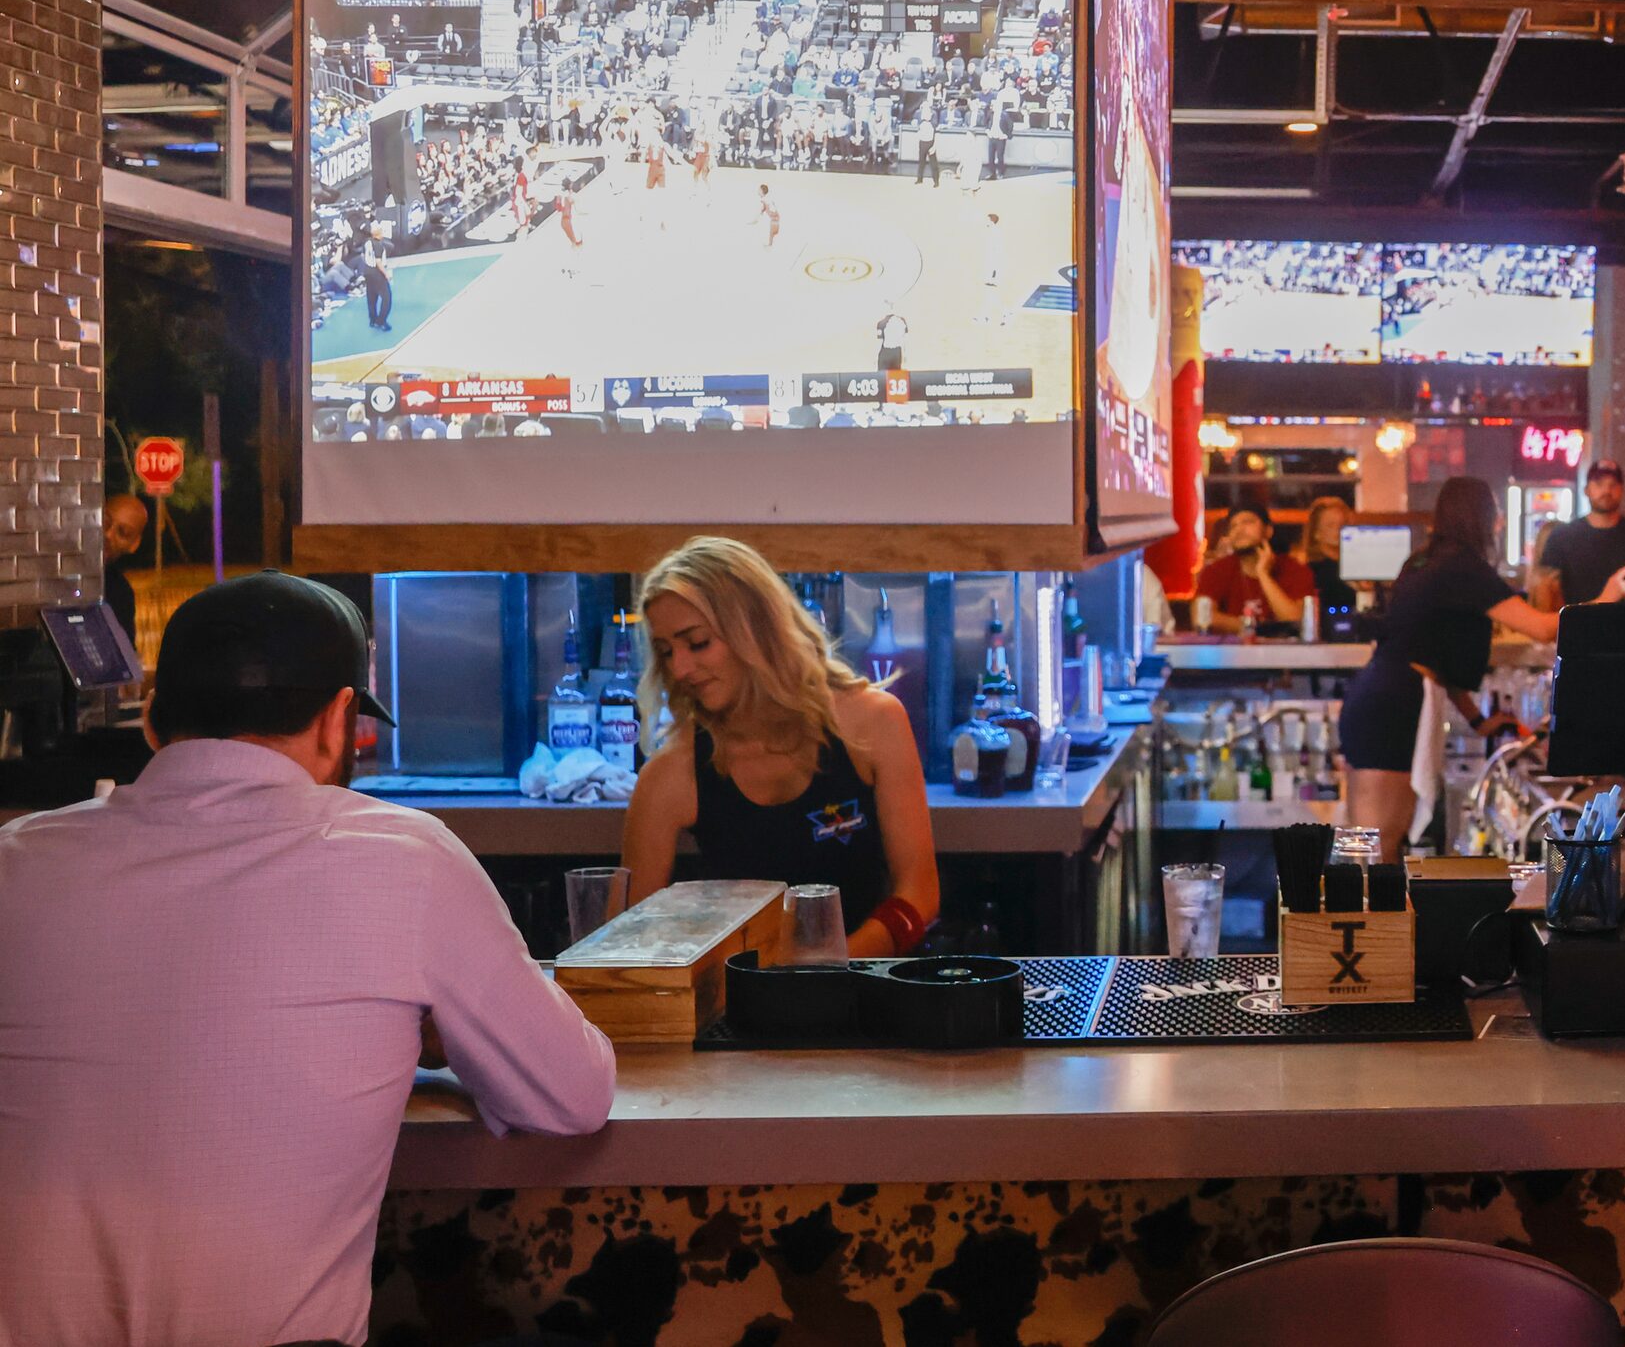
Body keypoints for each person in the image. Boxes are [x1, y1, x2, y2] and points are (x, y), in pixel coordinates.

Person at [0, 574, 615, 1346]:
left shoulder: (17, 861)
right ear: (337, 720)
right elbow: (572, 1096)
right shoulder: (404, 857)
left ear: (153, 720)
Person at [624, 537, 941, 956]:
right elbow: (625, 944)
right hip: (743, 1006)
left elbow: (920, 893)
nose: (680, 668)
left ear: (756, 629)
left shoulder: (873, 722)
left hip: (871, 993)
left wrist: (829, 966)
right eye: (666, 652)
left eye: (698, 643)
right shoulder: (673, 771)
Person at [1336, 477, 1614, 838]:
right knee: (1378, 843)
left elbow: (1434, 651)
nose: (1499, 521)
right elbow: (1544, 628)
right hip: (1394, 706)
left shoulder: (1423, 560)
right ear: (1478, 516)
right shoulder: (1464, 568)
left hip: (1374, 697)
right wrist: (1609, 596)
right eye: (1495, 511)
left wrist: (1477, 720)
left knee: (1370, 841)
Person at [1533, 458, 1625, 607]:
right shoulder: (1561, 537)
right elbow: (1547, 590)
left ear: (1622, 490)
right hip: (1580, 627)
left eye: (1613, 485)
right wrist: (1557, 627)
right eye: (1599, 484)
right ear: (1586, 490)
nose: (1606, 491)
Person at [1194, 505, 1313, 633]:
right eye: (1233, 526)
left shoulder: (1294, 569)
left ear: (1268, 531)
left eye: (1247, 522)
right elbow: (1201, 618)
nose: (1239, 530)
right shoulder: (1217, 570)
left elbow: (1297, 621)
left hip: (1284, 652)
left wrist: (1263, 574)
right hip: (1232, 651)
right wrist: (1257, 628)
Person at [99, 491, 146, 639]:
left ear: (134, 545)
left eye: (123, 532)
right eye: (105, 522)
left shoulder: (120, 592)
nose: (108, 535)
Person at [1299, 493, 1353, 619]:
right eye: (1331, 525)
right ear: (1316, 532)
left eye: (1343, 524)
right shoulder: (1310, 571)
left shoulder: (1357, 566)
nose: (1339, 530)